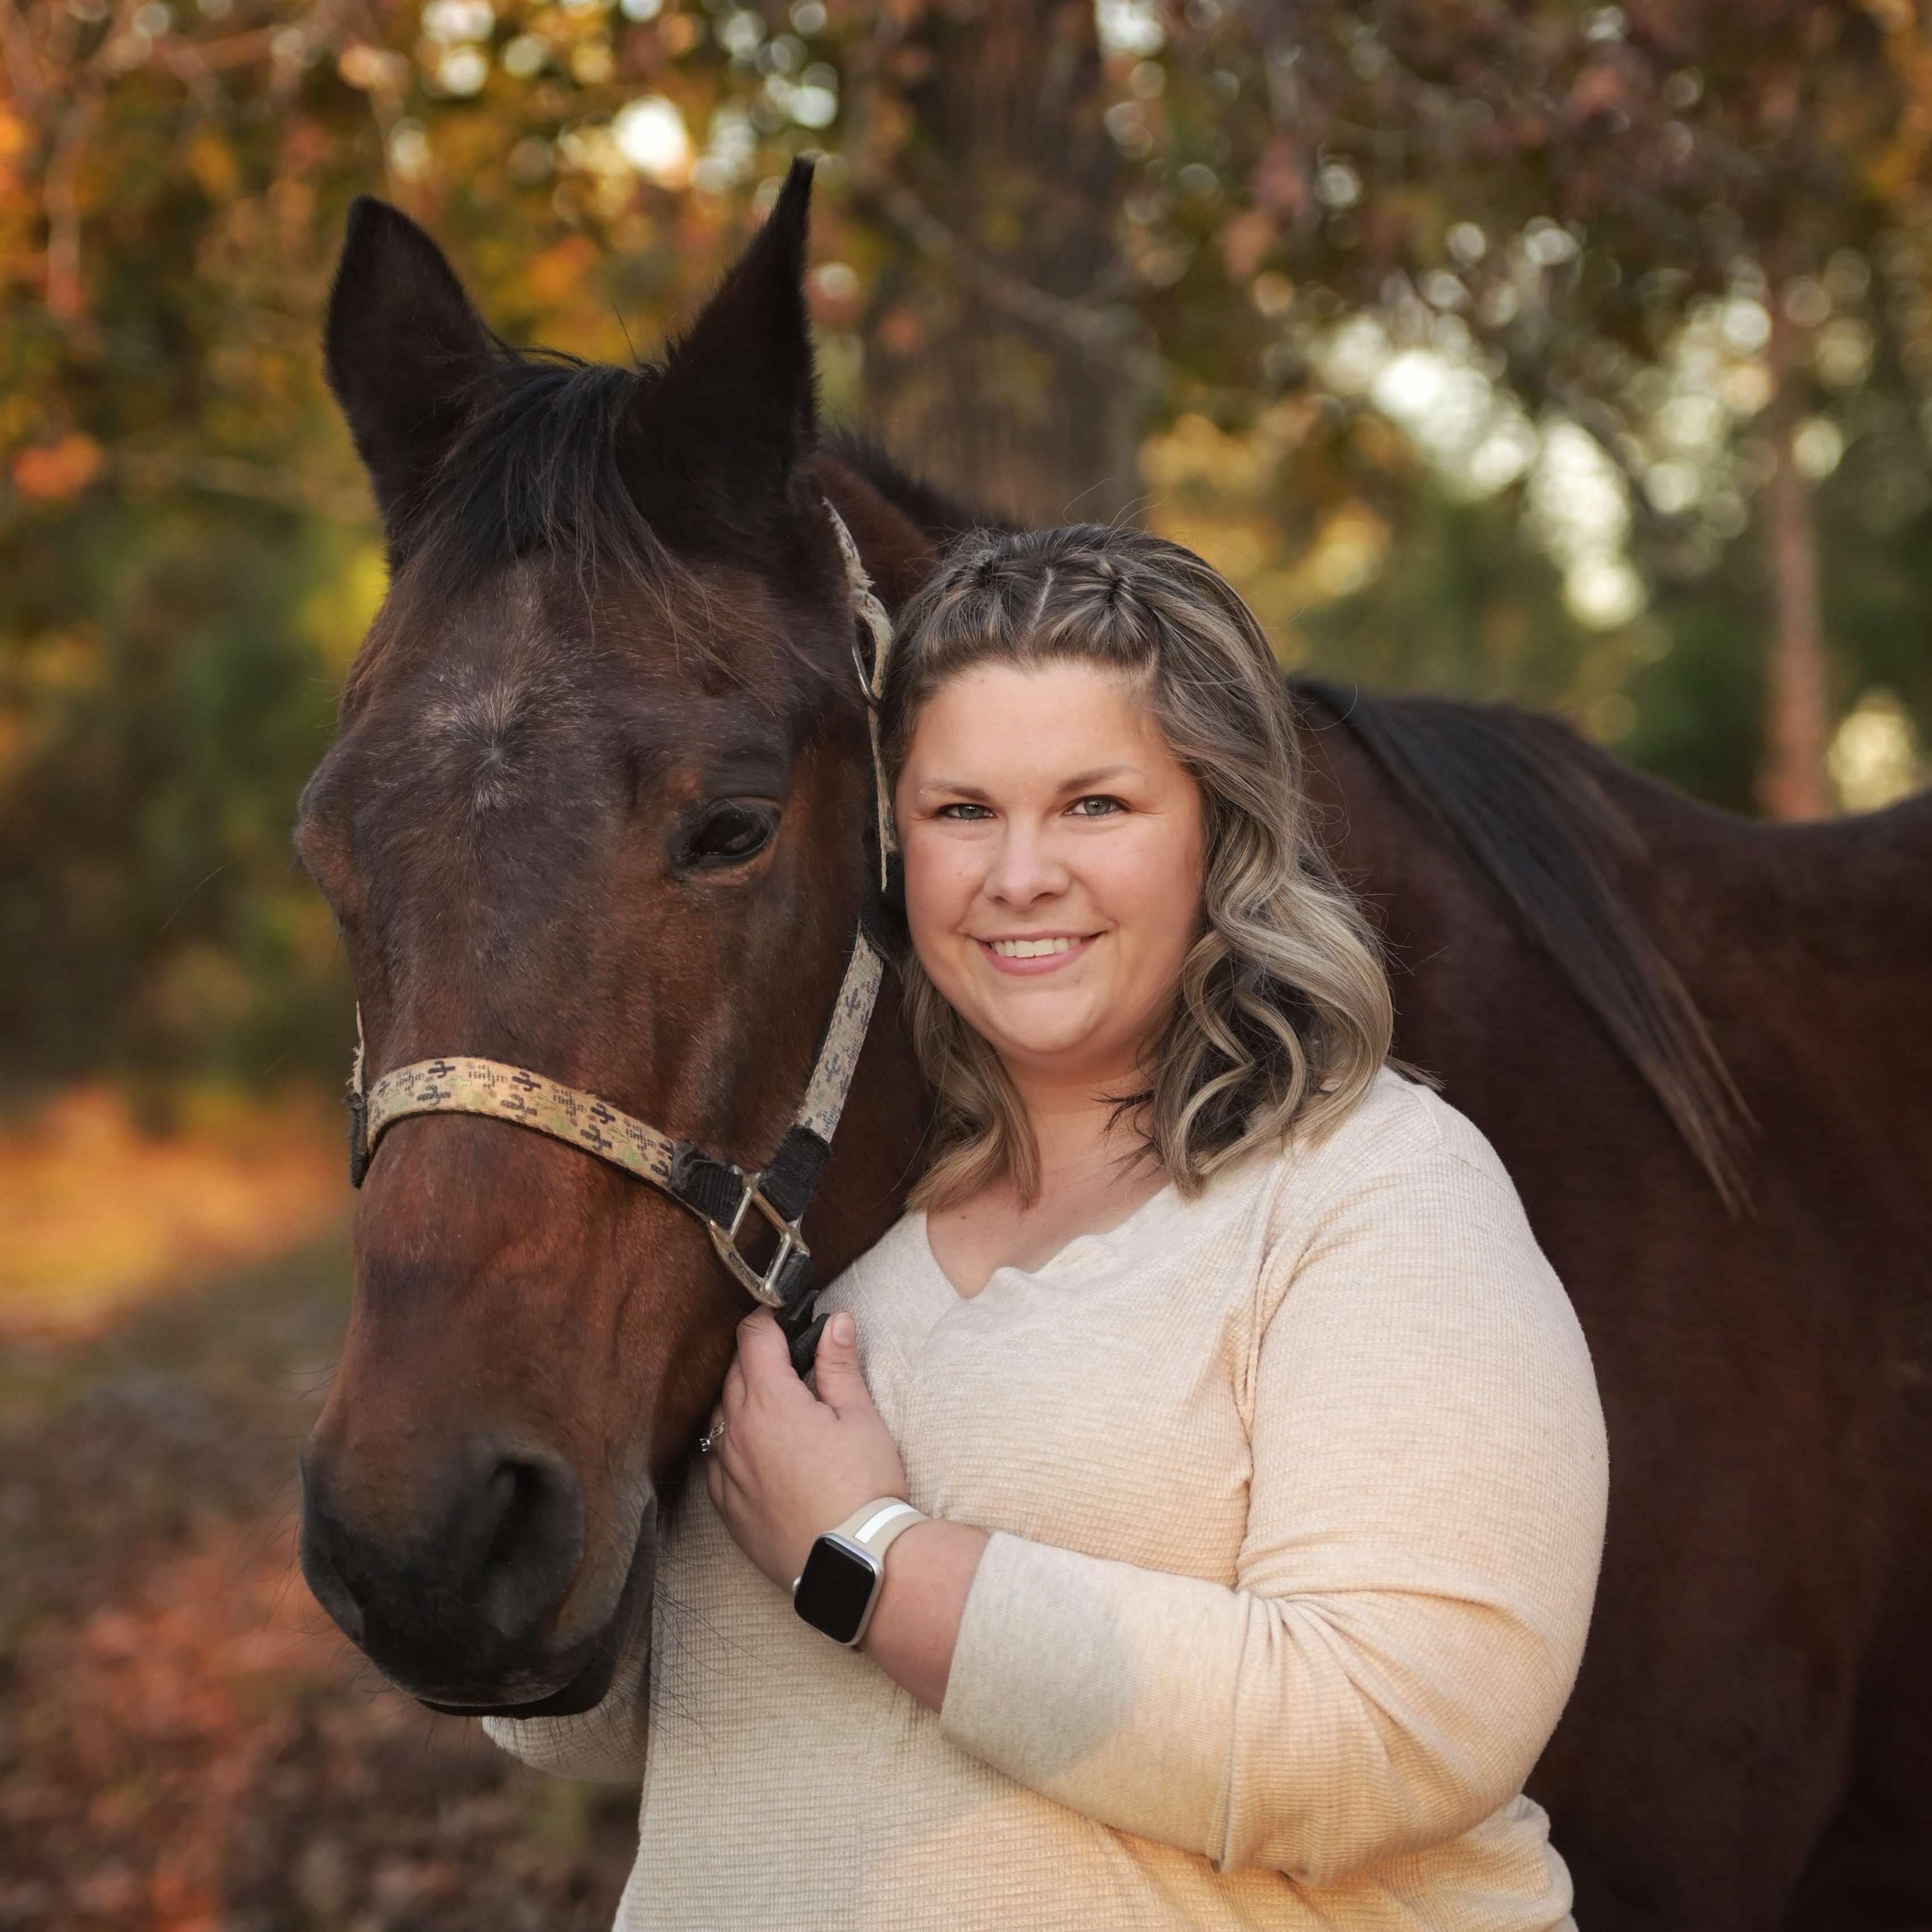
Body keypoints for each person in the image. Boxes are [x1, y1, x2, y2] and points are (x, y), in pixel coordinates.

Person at [485, 524, 1610, 1931]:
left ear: (1219, 827)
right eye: (963, 810)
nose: (1020, 874)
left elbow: (1396, 1731)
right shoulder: (801, 1233)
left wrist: (868, 1554)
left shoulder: (1374, 1192)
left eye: (1094, 804)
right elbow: (624, 1726)